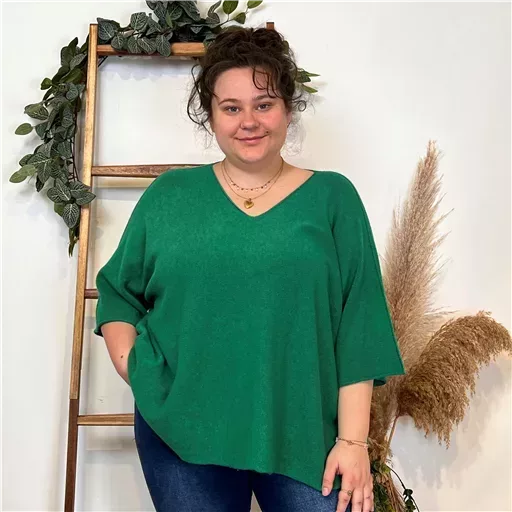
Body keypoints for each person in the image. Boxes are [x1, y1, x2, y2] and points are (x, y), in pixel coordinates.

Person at [94, 26, 405, 512]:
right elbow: (118, 291)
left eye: (264, 104)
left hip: (306, 432)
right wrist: (131, 364)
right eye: (231, 108)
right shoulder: (169, 197)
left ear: (288, 108)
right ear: (210, 115)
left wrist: (353, 442)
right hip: (181, 432)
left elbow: (359, 326)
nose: (249, 122)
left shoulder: (333, 199)